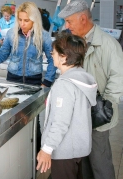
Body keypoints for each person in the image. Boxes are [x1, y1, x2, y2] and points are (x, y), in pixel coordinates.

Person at [58, 0, 123, 179]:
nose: (67, 25)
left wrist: (105, 105)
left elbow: (118, 77)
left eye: (69, 21)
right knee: (84, 163)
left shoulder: (108, 45)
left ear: (83, 19)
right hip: (78, 114)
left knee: (100, 163)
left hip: (97, 115)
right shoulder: (75, 43)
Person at [36, 32, 98, 179]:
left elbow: (61, 122)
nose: (52, 55)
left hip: (65, 151)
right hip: (79, 148)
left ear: (64, 57)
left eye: (54, 52)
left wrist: (46, 149)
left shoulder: (64, 84)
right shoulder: (83, 77)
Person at [0, 1, 56, 87]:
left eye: (26, 20)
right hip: (13, 78)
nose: (22, 24)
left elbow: (53, 59)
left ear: (34, 20)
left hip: (33, 80)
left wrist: (47, 81)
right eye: (20, 19)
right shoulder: (11, 34)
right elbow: (1, 55)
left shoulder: (43, 36)